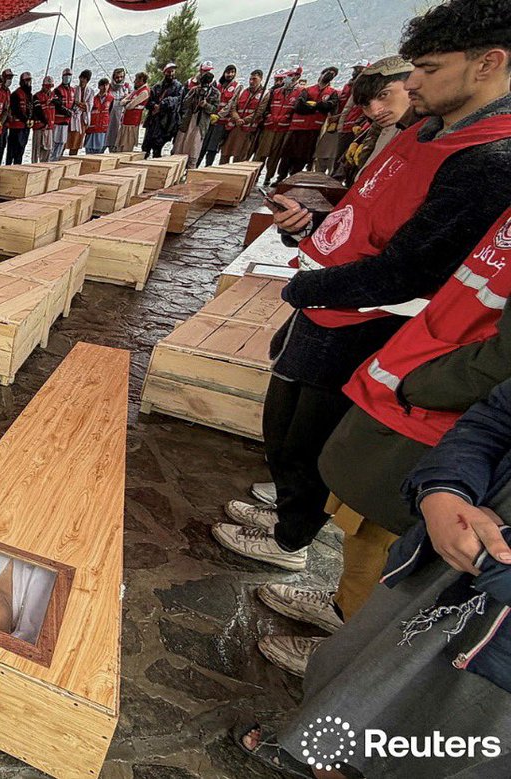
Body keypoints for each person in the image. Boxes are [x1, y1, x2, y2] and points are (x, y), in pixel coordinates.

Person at [212, 0, 511, 682]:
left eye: (430, 70)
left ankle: (300, 553)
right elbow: (366, 214)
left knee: (347, 483)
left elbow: (418, 266)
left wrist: (314, 289)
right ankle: (292, 524)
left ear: (490, 63)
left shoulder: (490, 159)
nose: (415, 84)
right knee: (292, 431)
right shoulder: (430, 129)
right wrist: (304, 236)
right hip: (352, 316)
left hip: (383, 333)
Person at [241, 374, 511, 779]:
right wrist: (444, 489)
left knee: (455, 740)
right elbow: (494, 419)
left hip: (498, 638)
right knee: (361, 675)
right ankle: (319, 758)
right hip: (445, 561)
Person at [337, 57, 416, 178]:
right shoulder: (385, 129)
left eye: (384, 95)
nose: (375, 111)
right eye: (365, 105)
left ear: (413, 85)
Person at [276, 66, 340, 181]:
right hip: (298, 127)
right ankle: (281, 177)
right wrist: (317, 106)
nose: (328, 75)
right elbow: (299, 106)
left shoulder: (332, 92)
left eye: (332, 74)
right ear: (321, 74)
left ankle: (294, 177)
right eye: (327, 72)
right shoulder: (308, 90)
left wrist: (313, 105)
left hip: (313, 129)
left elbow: (329, 106)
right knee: (287, 154)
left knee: (303, 156)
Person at [260, 67, 301, 185]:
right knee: (262, 153)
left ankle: (268, 177)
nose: (288, 79)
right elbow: (266, 107)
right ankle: (256, 175)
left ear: (296, 77)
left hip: (283, 128)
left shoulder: (300, 92)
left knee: (275, 155)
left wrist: (286, 119)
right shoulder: (276, 92)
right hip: (270, 126)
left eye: (290, 76)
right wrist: (268, 117)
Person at [173, 68, 220, 163]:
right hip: (188, 121)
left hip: (201, 124)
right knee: (179, 147)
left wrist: (206, 105)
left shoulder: (215, 93)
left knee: (194, 149)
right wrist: (194, 95)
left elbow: (214, 109)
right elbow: (185, 104)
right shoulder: (194, 90)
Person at [197, 64, 238, 167]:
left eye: (232, 72)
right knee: (202, 145)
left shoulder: (236, 86)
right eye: (228, 72)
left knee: (212, 148)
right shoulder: (217, 85)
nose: (230, 74)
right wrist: (211, 113)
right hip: (209, 119)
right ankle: (195, 166)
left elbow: (231, 104)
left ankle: (208, 168)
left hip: (221, 122)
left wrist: (219, 115)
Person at [142, 63, 183, 158]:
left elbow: (177, 100)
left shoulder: (178, 87)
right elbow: (148, 102)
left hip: (165, 121)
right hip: (153, 120)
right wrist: (154, 106)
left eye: (172, 71)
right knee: (146, 146)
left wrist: (162, 105)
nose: (171, 74)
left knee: (158, 146)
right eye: (169, 71)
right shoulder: (157, 86)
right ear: (164, 72)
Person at [115, 72, 149, 152]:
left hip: (132, 123)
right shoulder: (136, 90)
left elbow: (130, 106)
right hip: (125, 121)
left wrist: (127, 103)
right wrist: (127, 102)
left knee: (127, 146)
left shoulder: (144, 92)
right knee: (120, 146)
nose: (134, 81)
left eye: (136, 80)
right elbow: (122, 101)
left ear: (141, 80)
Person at [5, 72, 32, 165]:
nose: (29, 83)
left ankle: (18, 168)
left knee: (20, 152)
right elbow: (16, 110)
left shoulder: (29, 95)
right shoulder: (16, 94)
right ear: (22, 81)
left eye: (30, 80)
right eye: (27, 81)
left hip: (25, 127)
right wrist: (26, 119)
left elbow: (31, 109)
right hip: (16, 128)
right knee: (11, 152)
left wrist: (30, 119)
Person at [66, 69, 94, 156]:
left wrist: (78, 104)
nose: (82, 80)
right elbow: (71, 103)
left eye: (84, 79)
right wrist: (80, 104)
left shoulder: (90, 91)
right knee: (68, 140)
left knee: (77, 142)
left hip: (83, 120)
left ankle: (73, 157)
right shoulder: (74, 89)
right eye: (81, 78)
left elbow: (89, 106)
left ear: (87, 80)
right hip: (73, 118)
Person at [50, 68, 75, 160]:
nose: (67, 77)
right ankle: (51, 161)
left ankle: (57, 160)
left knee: (61, 143)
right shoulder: (57, 90)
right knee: (54, 144)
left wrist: (72, 111)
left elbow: (74, 103)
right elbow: (57, 104)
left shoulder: (72, 90)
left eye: (69, 75)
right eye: (65, 75)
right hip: (57, 121)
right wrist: (67, 112)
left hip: (66, 122)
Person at [31, 75, 56, 163]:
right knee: (36, 151)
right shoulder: (37, 96)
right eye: (47, 87)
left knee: (48, 150)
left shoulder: (54, 96)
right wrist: (45, 122)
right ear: (43, 86)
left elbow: (60, 105)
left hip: (49, 127)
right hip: (39, 127)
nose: (49, 89)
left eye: (50, 87)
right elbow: (37, 111)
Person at [106, 68, 130, 152]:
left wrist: (126, 99)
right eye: (117, 77)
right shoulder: (108, 87)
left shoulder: (126, 87)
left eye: (121, 77)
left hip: (121, 116)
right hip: (109, 117)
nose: (119, 79)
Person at [85, 78, 112, 154]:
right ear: (99, 87)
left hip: (102, 129)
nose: (105, 87)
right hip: (92, 129)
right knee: (89, 150)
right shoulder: (93, 99)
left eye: (107, 85)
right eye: (103, 85)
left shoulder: (111, 99)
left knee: (99, 152)